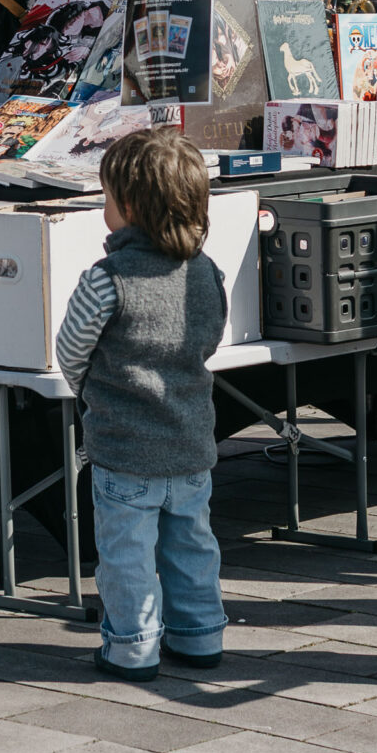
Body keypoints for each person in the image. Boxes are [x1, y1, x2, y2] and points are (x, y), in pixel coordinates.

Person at [53, 127, 229, 681]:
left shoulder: (106, 280)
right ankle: (200, 635)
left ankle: (131, 647)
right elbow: (209, 340)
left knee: (126, 554)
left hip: (124, 449)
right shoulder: (208, 273)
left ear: (128, 207)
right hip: (191, 443)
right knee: (192, 546)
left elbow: (70, 350)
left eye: (106, 197)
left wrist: (91, 389)